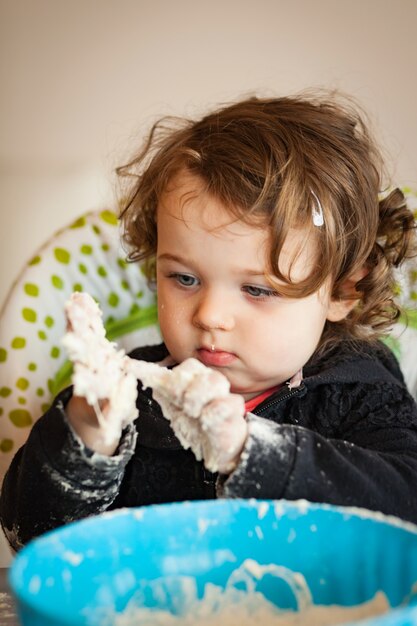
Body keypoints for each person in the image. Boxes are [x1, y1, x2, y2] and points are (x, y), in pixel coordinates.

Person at [1, 93, 417, 552]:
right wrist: (86, 438)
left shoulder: (360, 392)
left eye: (257, 289)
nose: (209, 316)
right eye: (184, 278)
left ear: (342, 290)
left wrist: (254, 452)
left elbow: (406, 504)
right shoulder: (128, 399)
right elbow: (28, 535)